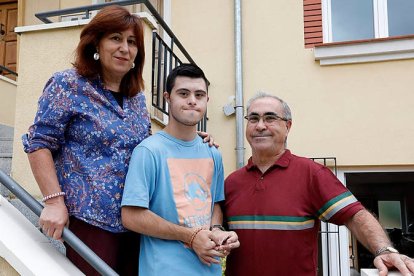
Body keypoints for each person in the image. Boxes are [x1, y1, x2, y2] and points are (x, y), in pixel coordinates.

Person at [223, 92, 414, 276]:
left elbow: (355, 215)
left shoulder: (312, 173)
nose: (260, 126)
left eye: (270, 118)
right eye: (253, 118)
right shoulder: (232, 182)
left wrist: (384, 250)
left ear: (288, 126)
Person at [22, 5, 149, 275]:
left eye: (132, 42)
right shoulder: (67, 84)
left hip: (135, 219)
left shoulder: (137, 99)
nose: (124, 48)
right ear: (97, 43)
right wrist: (54, 201)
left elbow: (147, 147)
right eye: (115, 38)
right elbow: (39, 143)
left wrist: (187, 138)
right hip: (90, 221)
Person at [121, 63, 239, 276]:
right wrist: (191, 236)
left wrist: (217, 231)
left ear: (207, 101)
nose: (192, 100)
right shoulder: (148, 151)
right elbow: (131, 216)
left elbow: (215, 204)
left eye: (199, 95)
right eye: (183, 93)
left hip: (208, 270)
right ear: (168, 98)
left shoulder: (213, 152)